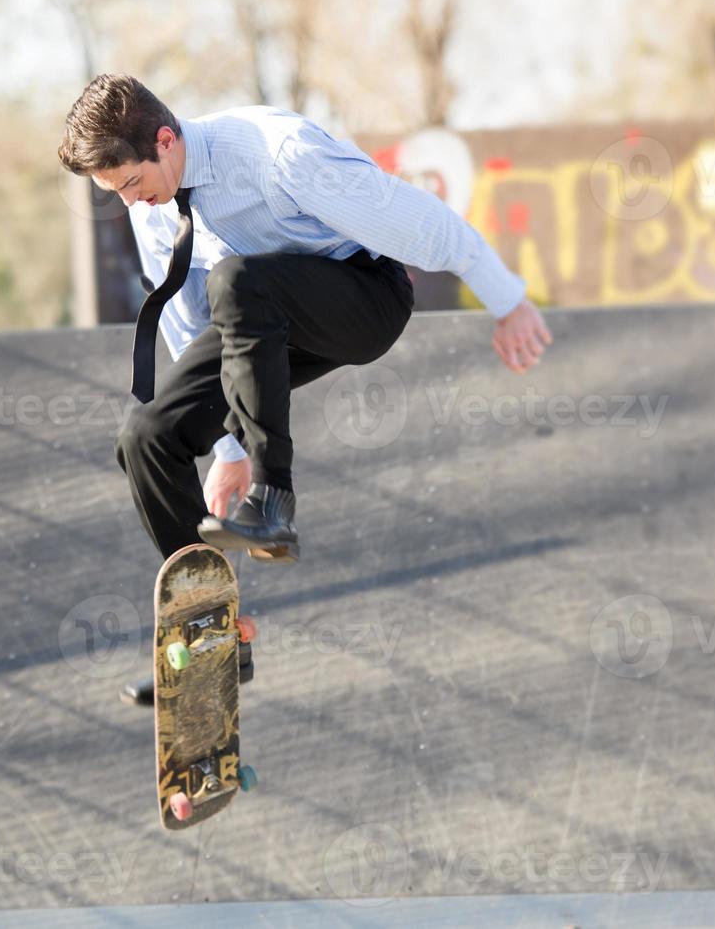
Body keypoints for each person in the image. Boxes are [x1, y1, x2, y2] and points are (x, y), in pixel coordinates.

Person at [57, 74, 552, 703]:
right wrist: (227, 450)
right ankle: (212, 640)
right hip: (258, 329)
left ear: (165, 139)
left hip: (363, 300)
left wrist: (508, 301)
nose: (131, 202)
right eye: (114, 192)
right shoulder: (152, 209)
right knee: (145, 434)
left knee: (237, 281)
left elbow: (419, 221)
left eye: (131, 183)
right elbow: (187, 327)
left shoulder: (277, 152)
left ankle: (275, 501)